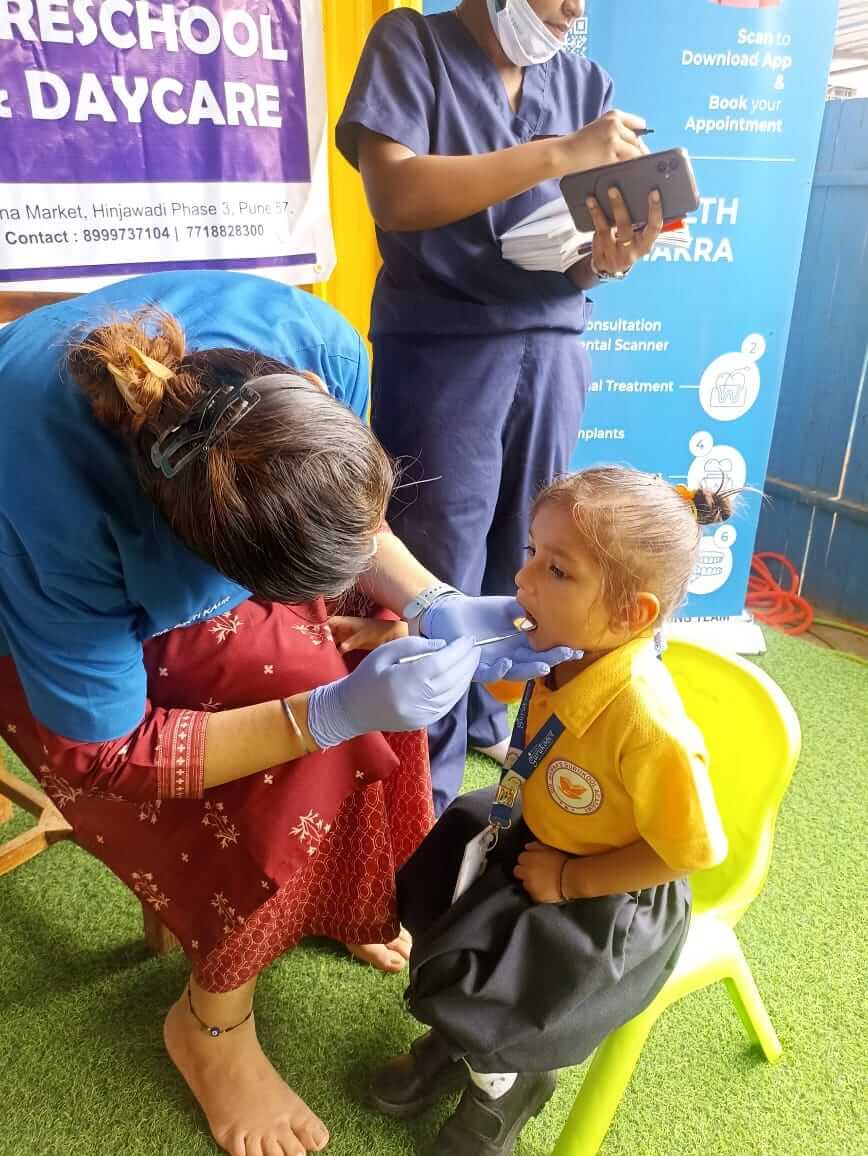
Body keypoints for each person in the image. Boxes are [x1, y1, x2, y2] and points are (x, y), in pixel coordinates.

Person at [0, 269, 569, 1156]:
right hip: (29, 601)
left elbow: (342, 512)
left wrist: (431, 600)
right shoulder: (52, 505)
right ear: (200, 555)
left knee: (356, 660)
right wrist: (325, 715)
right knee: (298, 744)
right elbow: (103, 751)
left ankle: (335, 900)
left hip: (190, 518)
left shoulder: (316, 346)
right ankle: (211, 1024)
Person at [336, 0, 664, 812]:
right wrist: (563, 152)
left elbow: (581, 252)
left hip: (553, 344)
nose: (574, 9)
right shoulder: (411, 42)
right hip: (446, 346)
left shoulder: (585, 81)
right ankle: (420, 793)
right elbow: (399, 195)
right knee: (436, 563)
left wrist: (612, 257)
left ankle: (494, 721)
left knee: (539, 553)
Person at [348, 467, 732, 1156]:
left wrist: (572, 881)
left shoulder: (649, 723)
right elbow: (504, 685)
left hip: (606, 889)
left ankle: (504, 1086)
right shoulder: (569, 647)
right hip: (533, 828)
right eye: (531, 552)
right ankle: (459, 1037)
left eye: (557, 570)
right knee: (451, 908)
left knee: (514, 985)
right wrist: (482, 648)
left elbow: (691, 852)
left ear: (632, 615)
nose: (524, 580)